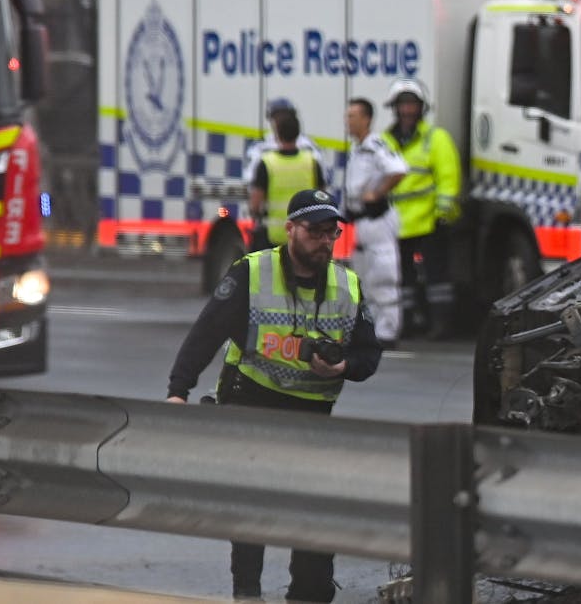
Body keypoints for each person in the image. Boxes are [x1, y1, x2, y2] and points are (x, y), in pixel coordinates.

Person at [164, 189, 383, 601]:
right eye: (314, 230)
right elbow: (206, 333)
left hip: (311, 412)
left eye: (330, 232)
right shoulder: (251, 272)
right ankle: (247, 593)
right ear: (290, 230)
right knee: (254, 505)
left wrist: (343, 366)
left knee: (314, 510)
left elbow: (369, 356)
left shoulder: (346, 284)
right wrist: (179, 391)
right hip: (252, 400)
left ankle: (309, 594)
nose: (324, 240)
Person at [380, 78, 462, 340]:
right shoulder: (384, 141)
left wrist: (443, 213)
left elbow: (448, 177)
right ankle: (406, 323)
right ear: (395, 108)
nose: (407, 110)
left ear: (421, 107)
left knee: (437, 278)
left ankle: (441, 324)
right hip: (396, 222)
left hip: (429, 220)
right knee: (401, 279)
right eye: (402, 105)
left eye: (412, 104)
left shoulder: (435, 138)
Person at [343, 97, 407, 348]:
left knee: (383, 276)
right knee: (363, 279)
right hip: (360, 222)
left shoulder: (375, 145)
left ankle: (388, 332)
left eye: (352, 116)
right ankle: (370, 329)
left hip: (377, 220)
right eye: (347, 116)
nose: (348, 122)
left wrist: (377, 193)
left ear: (366, 119)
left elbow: (398, 169)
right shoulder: (357, 149)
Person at [246, 112, 326, 250]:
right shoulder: (311, 162)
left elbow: (255, 204)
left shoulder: (267, 163)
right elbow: (323, 198)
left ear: (277, 134)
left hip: (275, 238)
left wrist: (257, 214)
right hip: (305, 237)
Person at [242, 97, 321, 182]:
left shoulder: (309, 146)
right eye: (276, 117)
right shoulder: (259, 147)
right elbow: (250, 179)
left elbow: (321, 181)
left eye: (285, 116)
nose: (280, 121)